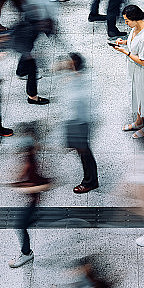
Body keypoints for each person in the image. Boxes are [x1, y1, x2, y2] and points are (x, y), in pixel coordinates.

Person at [9, 0, 54, 105]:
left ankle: (21, 70)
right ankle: (32, 96)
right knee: (33, 61)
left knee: (29, 52)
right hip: (33, 24)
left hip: (29, 24)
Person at [9, 122, 52, 268]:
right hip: (31, 200)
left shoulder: (34, 161)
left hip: (32, 201)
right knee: (25, 221)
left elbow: (46, 184)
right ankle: (33, 218)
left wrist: (25, 188)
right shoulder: (30, 156)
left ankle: (26, 253)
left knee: (19, 226)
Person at [59, 52, 99, 194]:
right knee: (82, 151)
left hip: (80, 122)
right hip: (75, 121)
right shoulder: (73, 78)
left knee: (85, 152)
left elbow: (84, 104)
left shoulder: (82, 81)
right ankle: (90, 179)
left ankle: (90, 182)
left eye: (68, 62)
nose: (65, 63)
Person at [111, 4, 144, 139]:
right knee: (136, 95)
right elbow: (133, 43)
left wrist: (126, 52)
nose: (126, 23)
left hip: (140, 71)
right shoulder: (135, 28)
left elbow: (143, 61)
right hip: (132, 69)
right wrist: (123, 42)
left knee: (143, 98)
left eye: (127, 21)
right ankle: (139, 122)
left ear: (135, 19)